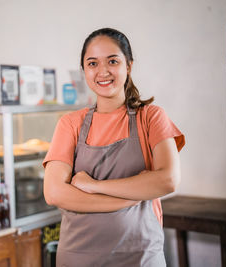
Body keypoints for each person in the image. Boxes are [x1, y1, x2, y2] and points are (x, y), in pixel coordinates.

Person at [43, 28, 185, 267]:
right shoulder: (70, 124)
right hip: (78, 258)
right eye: (92, 63)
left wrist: (93, 186)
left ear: (128, 66)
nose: (103, 71)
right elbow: (54, 193)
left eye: (112, 61)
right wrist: (127, 200)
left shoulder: (151, 118)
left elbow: (168, 180)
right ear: (84, 71)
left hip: (140, 257)